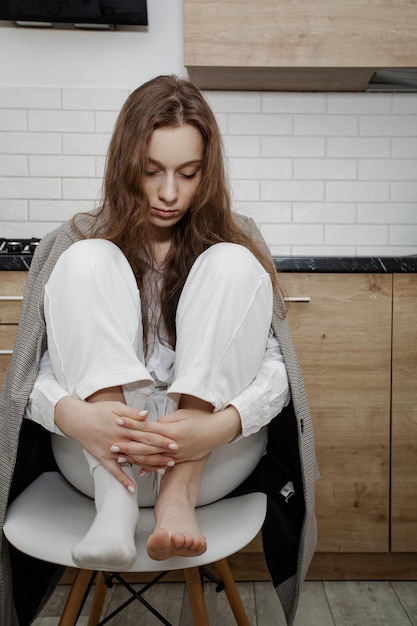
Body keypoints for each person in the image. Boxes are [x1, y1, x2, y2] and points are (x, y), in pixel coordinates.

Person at [0, 75, 318, 626]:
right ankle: (117, 505)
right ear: (125, 164)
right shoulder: (71, 244)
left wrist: (216, 428)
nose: (168, 193)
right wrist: (78, 416)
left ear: (206, 172)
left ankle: (178, 494)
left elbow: (275, 370)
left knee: (232, 259)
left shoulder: (237, 240)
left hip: (208, 455)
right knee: (86, 256)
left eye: (187, 174)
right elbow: (36, 372)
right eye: (151, 172)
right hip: (95, 455)